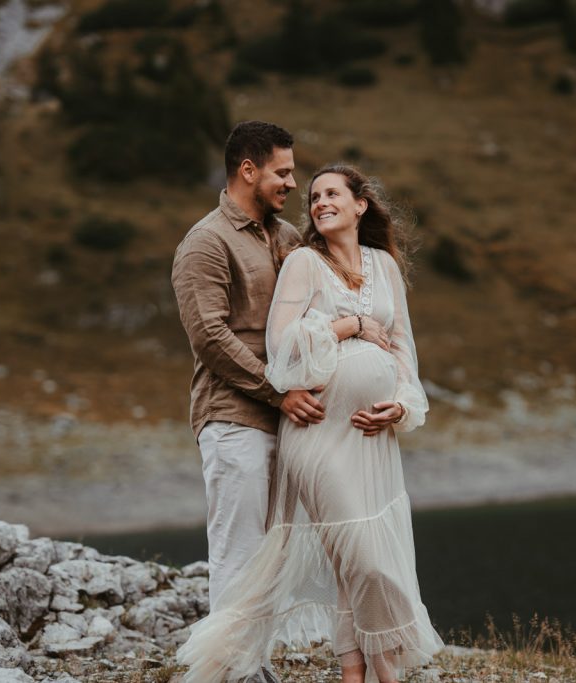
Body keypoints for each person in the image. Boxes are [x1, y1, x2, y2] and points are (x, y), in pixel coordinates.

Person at [177, 164, 443, 683]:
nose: (317, 200)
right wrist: (350, 325)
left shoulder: (385, 265)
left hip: (371, 438)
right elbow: (282, 347)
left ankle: (356, 674)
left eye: (330, 193)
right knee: (365, 560)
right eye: (312, 194)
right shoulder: (302, 260)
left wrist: (403, 404)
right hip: (320, 434)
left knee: (356, 564)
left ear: (360, 205)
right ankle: (379, 669)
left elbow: (404, 343)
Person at [171, 121, 324, 625]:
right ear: (248, 170)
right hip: (234, 420)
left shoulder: (289, 237)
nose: (292, 184)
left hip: (290, 421)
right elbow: (209, 337)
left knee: (276, 559)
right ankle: (232, 671)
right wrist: (278, 391)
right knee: (239, 555)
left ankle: (255, 664)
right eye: (282, 172)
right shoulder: (205, 243)